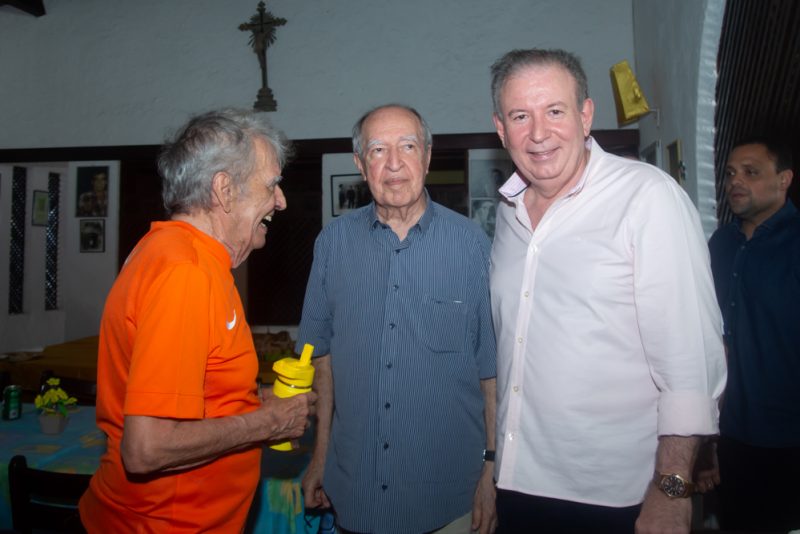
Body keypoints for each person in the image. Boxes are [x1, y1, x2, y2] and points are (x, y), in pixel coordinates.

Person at [488, 48, 727, 533]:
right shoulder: (506, 215)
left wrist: (672, 487)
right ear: (500, 129)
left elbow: (690, 362)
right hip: (518, 486)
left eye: (555, 111)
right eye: (520, 116)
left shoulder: (647, 198)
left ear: (585, 114)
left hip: (620, 497)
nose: (538, 133)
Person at [78, 109, 317, 533]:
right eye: (271, 184)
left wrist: (250, 400)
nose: (279, 201)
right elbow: (147, 448)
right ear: (224, 191)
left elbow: (191, 392)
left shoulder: (172, 252)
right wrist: (269, 422)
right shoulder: (185, 273)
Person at [299, 104, 497, 534]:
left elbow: (491, 373)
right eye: (377, 150)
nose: (393, 164)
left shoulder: (471, 246)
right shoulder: (333, 244)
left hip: (451, 498)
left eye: (407, 146)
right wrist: (319, 458)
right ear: (359, 163)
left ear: (426, 156)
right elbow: (322, 359)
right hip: (356, 494)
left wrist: (491, 472)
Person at [705, 138, 800, 532]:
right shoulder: (720, 244)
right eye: (730, 173)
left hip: (789, 438)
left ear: (784, 180)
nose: (735, 182)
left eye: (751, 172)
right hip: (729, 435)